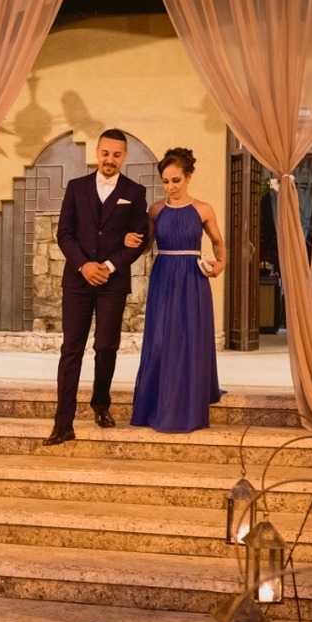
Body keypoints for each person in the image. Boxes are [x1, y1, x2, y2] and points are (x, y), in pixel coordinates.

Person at [44, 129, 149, 446]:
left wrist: (110, 265)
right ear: (97, 152)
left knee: (106, 346)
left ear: (124, 156)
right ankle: (63, 423)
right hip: (78, 280)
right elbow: (64, 234)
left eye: (116, 154)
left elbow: (139, 238)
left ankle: (101, 404)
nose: (110, 159)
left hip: (112, 282)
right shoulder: (76, 188)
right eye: (105, 153)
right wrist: (84, 265)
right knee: (71, 349)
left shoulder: (135, 191)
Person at [129, 147, 225, 433]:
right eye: (165, 181)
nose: (170, 187)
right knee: (161, 340)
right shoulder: (156, 210)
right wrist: (130, 240)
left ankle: (190, 401)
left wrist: (220, 264)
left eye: (176, 180)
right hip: (164, 277)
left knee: (191, 338)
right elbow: (146, 246)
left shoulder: (203, 209)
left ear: (189, 177)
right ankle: (159, 401)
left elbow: (218, 242)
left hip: (193, 280)